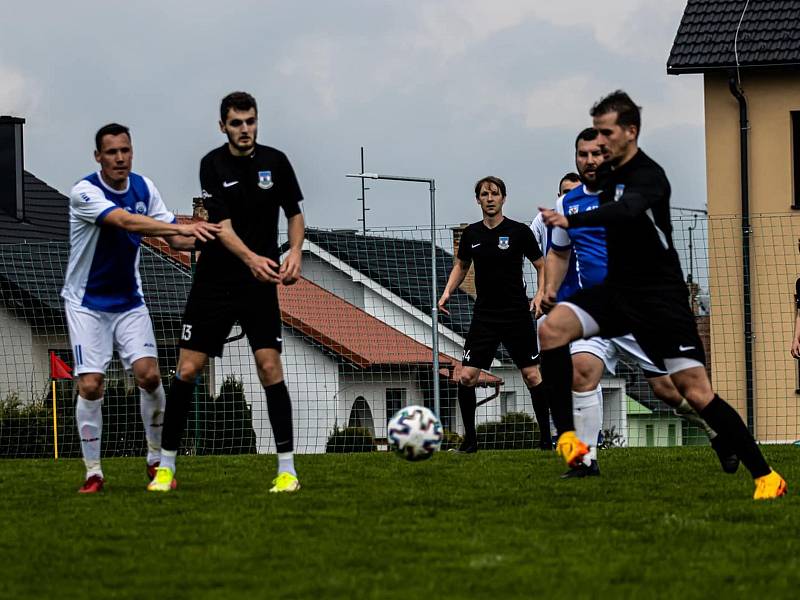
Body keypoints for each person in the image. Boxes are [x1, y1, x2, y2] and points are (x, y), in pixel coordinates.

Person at [538, 90, 785, 499]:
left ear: (630, 132)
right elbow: (562, 247)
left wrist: (573, 215)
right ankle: (571, 444)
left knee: (692, 392)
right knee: (551, 331)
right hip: (615, 294)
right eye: (592, 139)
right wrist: (549, 287)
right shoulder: (592, 185)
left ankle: (765, 475)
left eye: (606, 133)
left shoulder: (648, 176)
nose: (597, 145)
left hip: (658, 300)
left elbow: (627, 211)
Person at [543, 127, 738, 478]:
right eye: (582, 155)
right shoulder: (566, 204)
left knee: (670, 391)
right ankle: (585, 462)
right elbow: (558, 253)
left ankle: (716, 432)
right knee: (582, 371)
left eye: (597, 154)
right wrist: (550, 289)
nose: (590, 161)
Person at [148, 91, 305, 493]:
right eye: (236, 123)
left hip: (259, 282)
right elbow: (222, 228)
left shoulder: (276, 162)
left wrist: (295, 254)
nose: (245, 129)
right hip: (216, 280)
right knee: (187, 369)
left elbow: (295, 213)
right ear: (223, 127)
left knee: (270, 367)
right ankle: (166, 468)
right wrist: (252, 258)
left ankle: (287, 471)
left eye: (250, 121)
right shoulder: (212, 164)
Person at [62, 123, 221, 493]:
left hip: (129, 302)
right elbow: (125, 222)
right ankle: (93, 472)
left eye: (125, 150)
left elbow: (176, 240)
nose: (120, 158)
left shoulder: (145, 187)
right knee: (90, 385)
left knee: (149, 376)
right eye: (112, 152)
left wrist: (205, 233)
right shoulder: (84, 192)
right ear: (98, 156)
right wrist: (178, 229)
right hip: (86, 304)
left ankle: (155, 460)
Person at [439, 176, 545, 453]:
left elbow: (542, 265)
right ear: (478, 200)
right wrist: (447, 291)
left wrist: (540, 294)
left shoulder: (519, 232)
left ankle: (546, 440)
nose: (489, 198)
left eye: (494, 194)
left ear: (503, 198)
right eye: (484, 194)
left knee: (532, 376)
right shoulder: (472, 235)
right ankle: (470, 442)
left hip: (516, 315)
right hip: (484, 317)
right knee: (466, 377)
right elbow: (461, 266)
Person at [529, 172, 581, 450]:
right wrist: (540, 291)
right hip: (553, 305)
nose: (567, 197)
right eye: (563, 192)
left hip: (588, 306)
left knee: (583, 369)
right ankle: (562, 438)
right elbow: (535, 253)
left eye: (573, 191)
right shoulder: (545, 221)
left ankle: (587, 439)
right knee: (553, 374)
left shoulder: (592, 216)